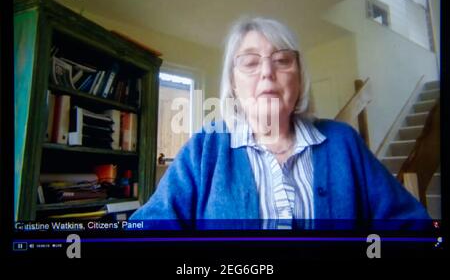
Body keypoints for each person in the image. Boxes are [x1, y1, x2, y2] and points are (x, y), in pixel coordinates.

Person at [130, 17, 430, 230]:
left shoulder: (343, 141)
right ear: (233, 84)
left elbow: (413, 226)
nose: (267, 72)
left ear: (299, 78)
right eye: (249, 62)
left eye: (282, 60)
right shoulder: (205, 146)